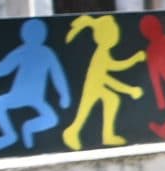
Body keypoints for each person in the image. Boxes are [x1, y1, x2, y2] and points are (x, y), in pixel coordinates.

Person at [0, 17, 71, 152]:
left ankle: (26, 128)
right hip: (21, 96)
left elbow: (58, 75)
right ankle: (11, 134)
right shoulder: (24, 51)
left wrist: (64, 95)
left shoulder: (46, 53)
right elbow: (4, 68)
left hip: (34, 98)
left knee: (52, 119)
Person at [61, 13, 146, 149]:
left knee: (111, 100)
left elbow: (115, 68)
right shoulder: (101, 54)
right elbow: (110, 77)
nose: (116, 36)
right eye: (113, 33)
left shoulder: (103, 53)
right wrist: (129, 89)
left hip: (98, 87)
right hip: (93, 88)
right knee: (84, 112)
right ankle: (72, 131)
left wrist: (134, 61)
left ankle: (106, 135)